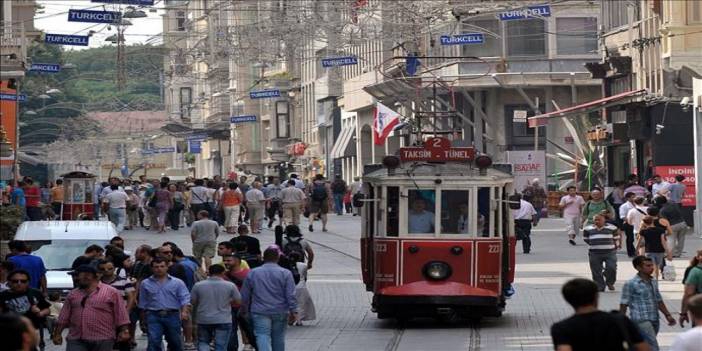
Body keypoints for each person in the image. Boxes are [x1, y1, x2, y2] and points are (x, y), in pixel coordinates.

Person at [551, 278, 648, 351]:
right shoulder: (619, 320)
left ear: (568, 301)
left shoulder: (561, 328)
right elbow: (643, 348)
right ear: (596, 297)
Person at [53, 265, 131, 351]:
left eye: (76, 276)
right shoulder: (73, 294)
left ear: (88, 276)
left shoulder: (111, 292)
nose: (74, 279)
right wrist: (57, 333)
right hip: (76, 339)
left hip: (103, 339)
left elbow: (121, 314)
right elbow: (64, 316)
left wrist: (124, 331)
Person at [241, 248, 297, 351]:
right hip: (280, 310)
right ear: (278, 258)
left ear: (263, 257)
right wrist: (294, 311)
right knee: (279, 337)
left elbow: (245, 295)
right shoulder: (285, 273)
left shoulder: (253, 273)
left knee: (262, 335)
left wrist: (244, 309)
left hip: (259, 310)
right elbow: (290, 294)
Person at [620, 256, 677, 351]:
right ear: (638, 268)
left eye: (652, 265)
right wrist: (621, 321)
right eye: (648, 266)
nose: (652, 268)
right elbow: (623, 304)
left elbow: (658, 299)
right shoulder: (631, 284)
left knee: (646, 344)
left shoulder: (653, 281)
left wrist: (668, 315)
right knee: (653, 345)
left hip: (654, 318)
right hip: (640, 319)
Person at [138, 258, 191, 351]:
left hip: (172, 314)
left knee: (175, 341)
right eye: (156, 267)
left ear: (167, 267)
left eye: (162, 266)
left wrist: (184, 311)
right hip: (153, 315)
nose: (159, 269)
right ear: (152, 268)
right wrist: (143, 317)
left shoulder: (177, 282)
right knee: (154, 340)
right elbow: (143, 301)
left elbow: (185, 297)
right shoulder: (145, 283)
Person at [191, 264, 241, 351]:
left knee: (203, 342)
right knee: (221, 345)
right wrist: (228, 301)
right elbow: (238, 301)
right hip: (223, 319)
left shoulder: (198, 285)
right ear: (223, 273)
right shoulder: (230, 285)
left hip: (204, 319)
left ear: (209, 273)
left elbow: (193, 302)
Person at [97, 259, 136, 351]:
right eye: (103, 269)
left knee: (123, 340)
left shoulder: (124, 281)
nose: (106, 271)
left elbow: (131, 297)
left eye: (109, 268)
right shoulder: (97, 283)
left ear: (114, 268)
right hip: (102, 316)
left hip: (120, 315)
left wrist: (126, 312)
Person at [583, 214, 620, 292]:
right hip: (594, 253)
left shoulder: (612, 228)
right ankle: (600, 286)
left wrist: (615, 246)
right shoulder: (587, 229)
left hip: (610, 252)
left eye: (599, 219)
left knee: (611, 268)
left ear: (604, 220)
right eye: (595, 220)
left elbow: (616, 238)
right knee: (596, 270)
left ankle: (610, 282)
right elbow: (586, 239)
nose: (597, 221)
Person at [680, 249, 702, 327]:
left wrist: (683, 313)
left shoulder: (694, 271)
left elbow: (688, 293)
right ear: (698, 257)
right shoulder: (693, 270)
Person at [617, 192, 637, 257]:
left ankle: (635, 250)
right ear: (628, 198)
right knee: (630, 238)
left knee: (636, 238)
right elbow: (622, 216)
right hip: (629, 224)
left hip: (637, 223)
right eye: (632, 197)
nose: (634, 198)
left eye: (635, 196)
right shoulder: (624, 206)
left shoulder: (637, 205)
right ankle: (630, 252)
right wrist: (630, 222)